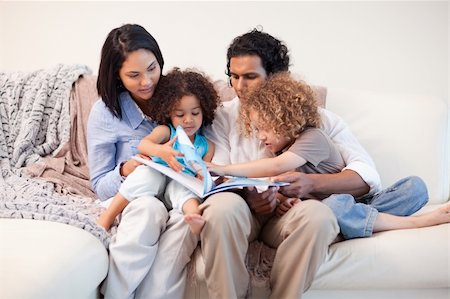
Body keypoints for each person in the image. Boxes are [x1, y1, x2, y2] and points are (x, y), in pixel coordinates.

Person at [199, 28, 429, 299]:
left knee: (321, 216)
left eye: (250, 77)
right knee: (220, 208)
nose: (238, 87)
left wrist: (310, 184)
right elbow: (220, 177)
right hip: (242, 211)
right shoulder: (222, 117)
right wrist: (249, 197)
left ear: (276, 78)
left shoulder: (316, 120)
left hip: (288, 213)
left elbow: (366, 175)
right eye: (234, 77)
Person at [209, 72, 450, 238]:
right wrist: (287, 202)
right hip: (331, 206)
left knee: (415, 187)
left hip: (355, 201)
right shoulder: (282, 148)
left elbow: (275, 167)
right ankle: (359, 223)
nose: (260, 137)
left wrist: (223, 169)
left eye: (264, 128)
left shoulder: (313, 138)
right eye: (256, 129)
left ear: (287, 121)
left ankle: (409, 223)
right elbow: (295, 193)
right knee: (331, 208)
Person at [87, 24, 197, 299]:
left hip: (175, 191)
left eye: (152, 68)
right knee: (148, 209)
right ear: (117, 75)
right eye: (134, 75)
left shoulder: (177, 97)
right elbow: (99, 185)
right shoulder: (104, 113)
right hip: (133, 197)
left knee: (186, 218)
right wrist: (128, 167)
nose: (147, 81)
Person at [96, 68, 219, 235]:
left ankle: (194, 217)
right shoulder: (166, 131)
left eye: (195, 113)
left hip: (181, 181)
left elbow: (204, 169)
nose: (188, 120)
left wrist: (201, 176)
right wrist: (161, 151)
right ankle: (107, 217)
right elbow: (143, 145)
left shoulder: (207, 145)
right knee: (145, 175)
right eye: (180, 114)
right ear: (170, 114)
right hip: (156, 177)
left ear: (204, 111)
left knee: (186, 192)